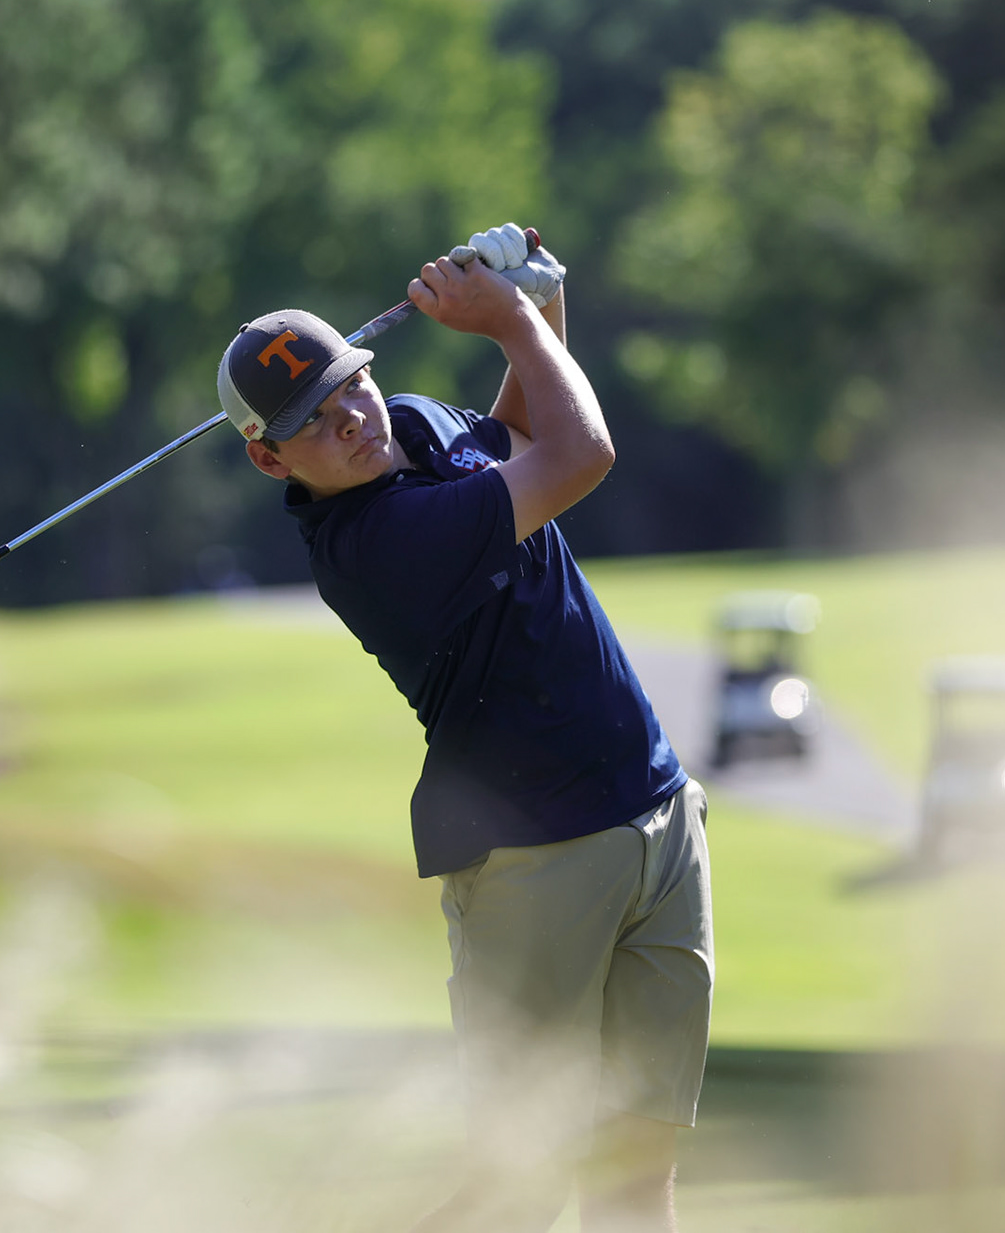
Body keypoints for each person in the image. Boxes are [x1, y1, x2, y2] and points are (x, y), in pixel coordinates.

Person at [217, 225, 713, 1232]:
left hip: (655, 814)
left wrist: (535, 293)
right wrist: (514, 319)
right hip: (533, 859)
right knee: (515, 1183)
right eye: (313, 419)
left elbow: (522, 439)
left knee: (636, 1169)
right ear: (272, 456)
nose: (350, 416)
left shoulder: (412, 422)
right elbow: (582, 454)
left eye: (349, 383)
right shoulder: (370, 547)